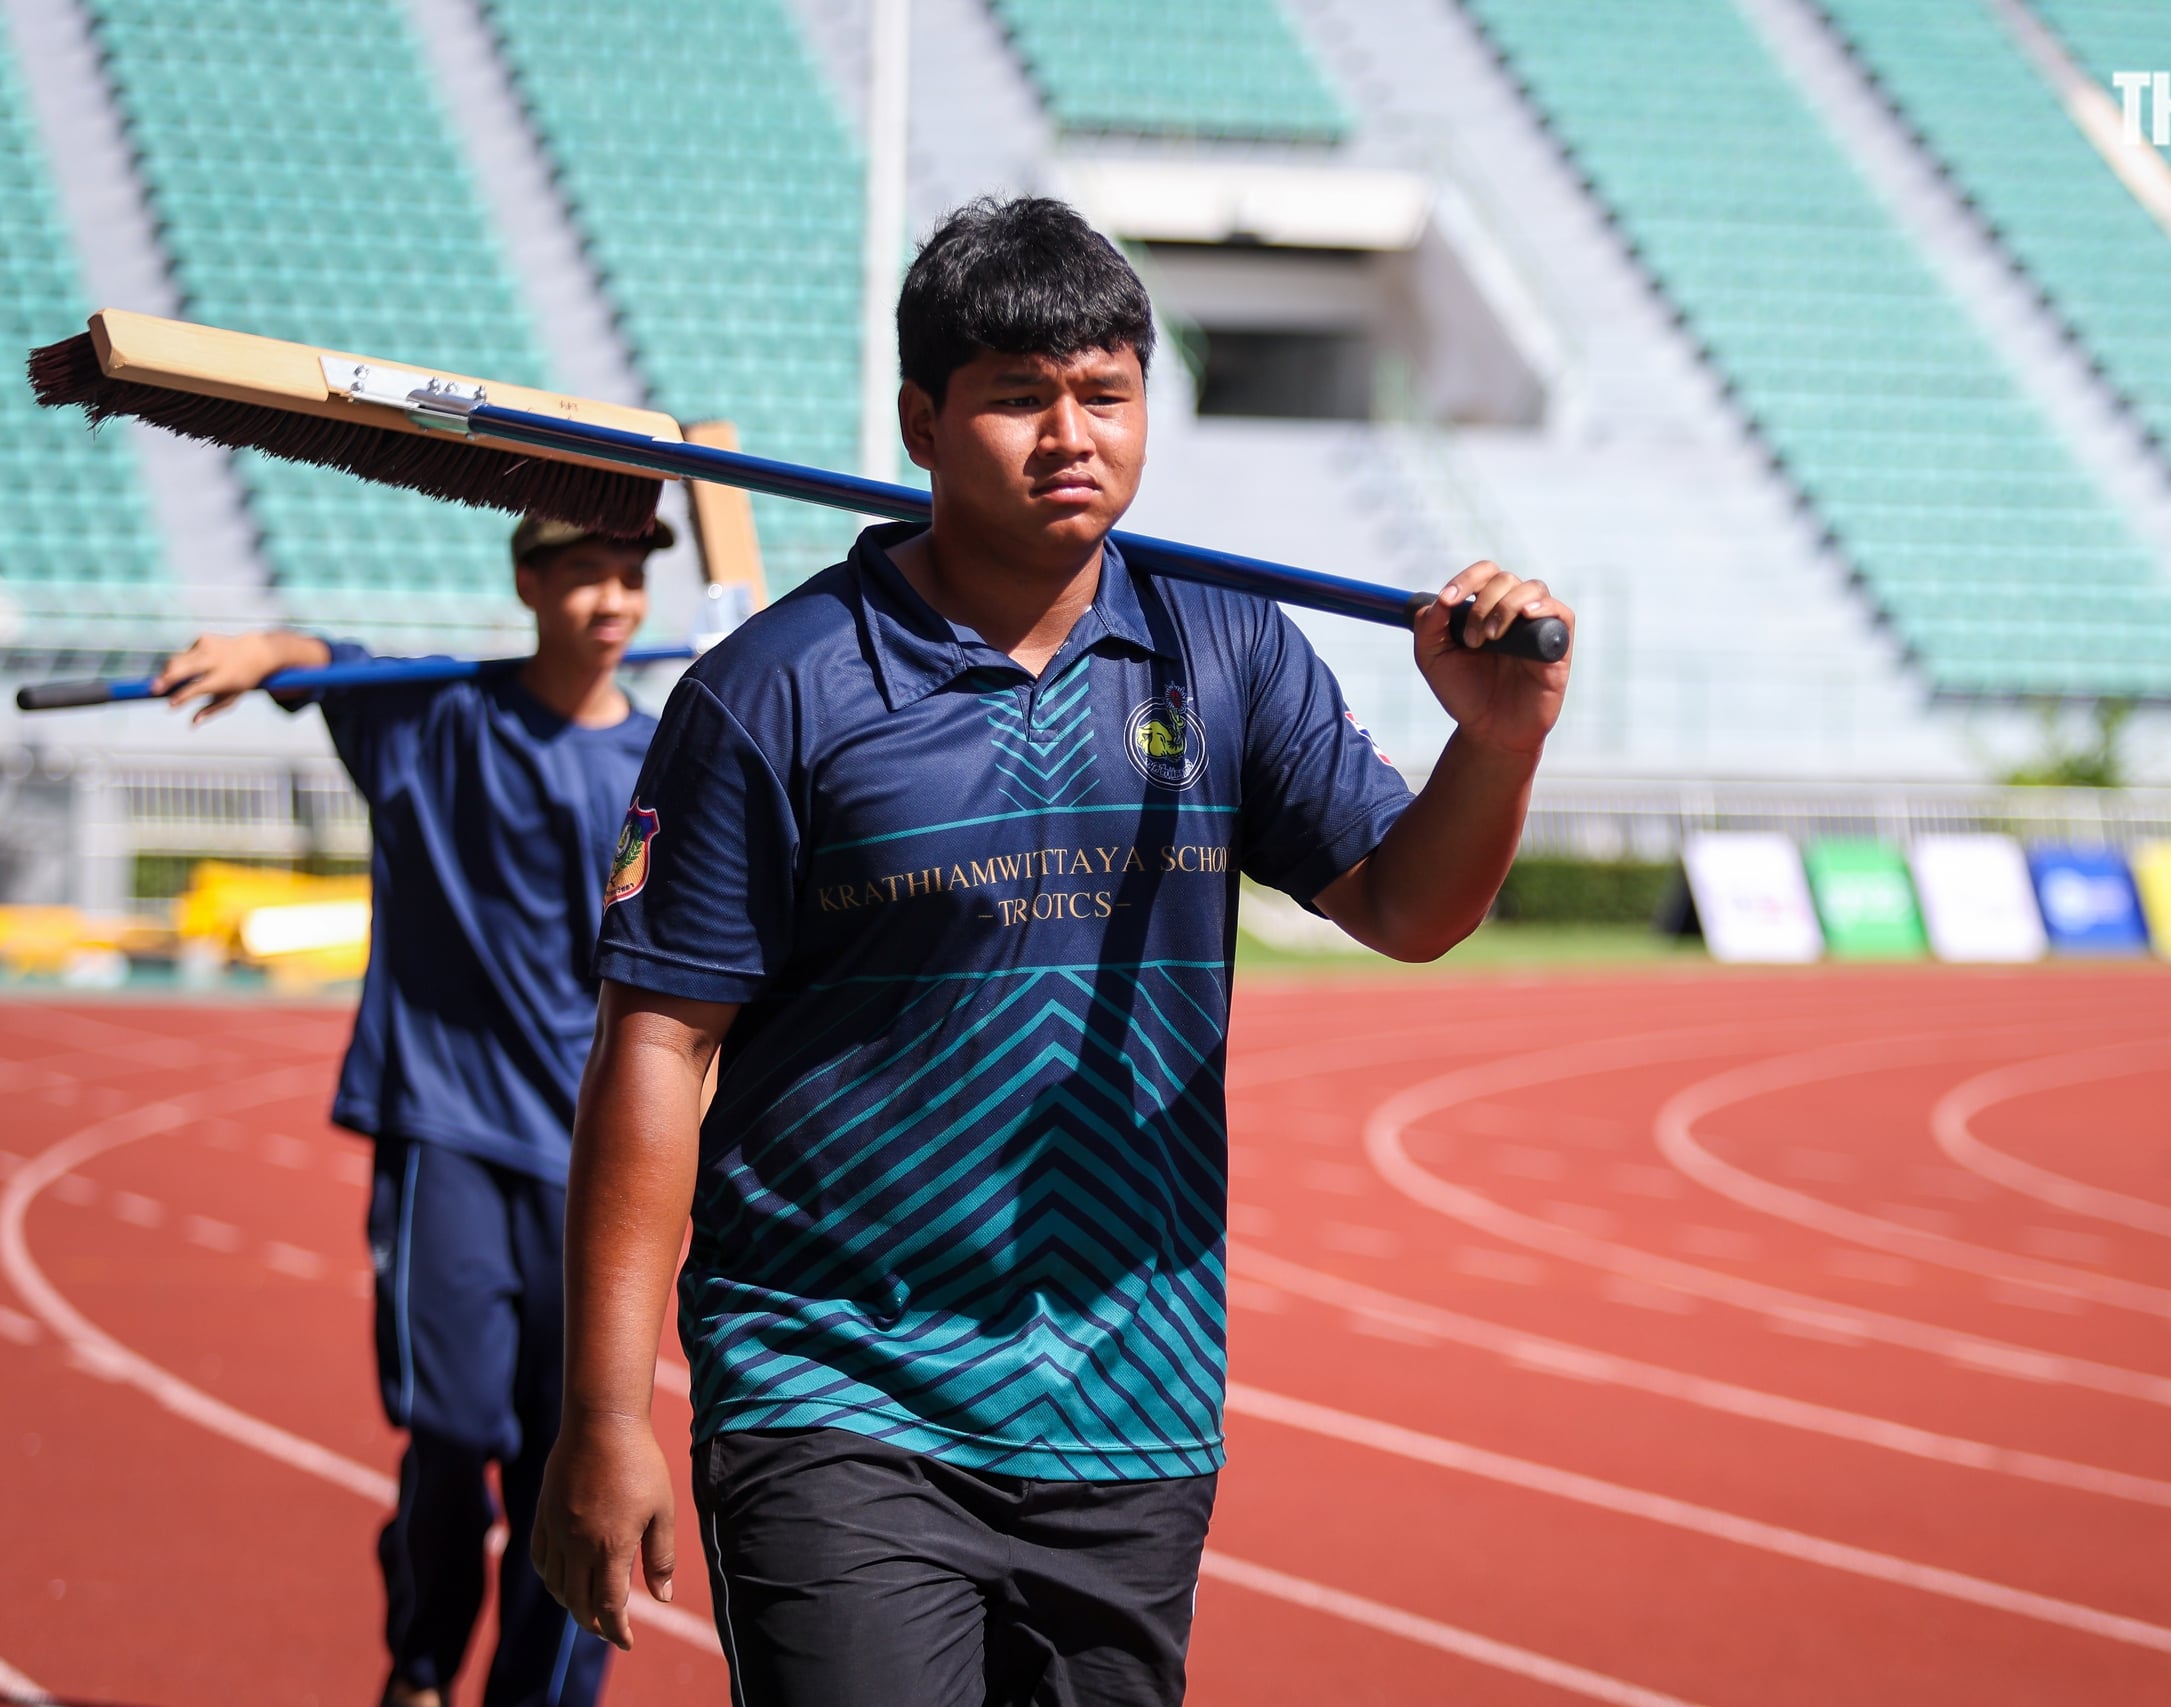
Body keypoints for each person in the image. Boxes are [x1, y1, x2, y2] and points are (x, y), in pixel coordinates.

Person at [529, 195, 1572, 1706]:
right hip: (838, 1383)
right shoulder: (775, 691)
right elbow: (656, 1043)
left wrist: (1495, 746)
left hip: (1129, 1395)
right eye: (1019, 396)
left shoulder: (1227, 645)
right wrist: (603, 1409)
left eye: (1107, 391)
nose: (1071, 433)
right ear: (920, 419)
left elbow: (1406, 909)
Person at [158, 514, 674, 1707]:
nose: (612, 603)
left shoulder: (666, 766)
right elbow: (323, 659)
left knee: (581, 1460)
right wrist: (257, 649)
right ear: (528, 581)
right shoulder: (435, 721)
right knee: (452, 1443)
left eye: (633, 579)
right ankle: (424, 1673)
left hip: (600, 1165)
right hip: (448, 1135)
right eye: (587, 574)